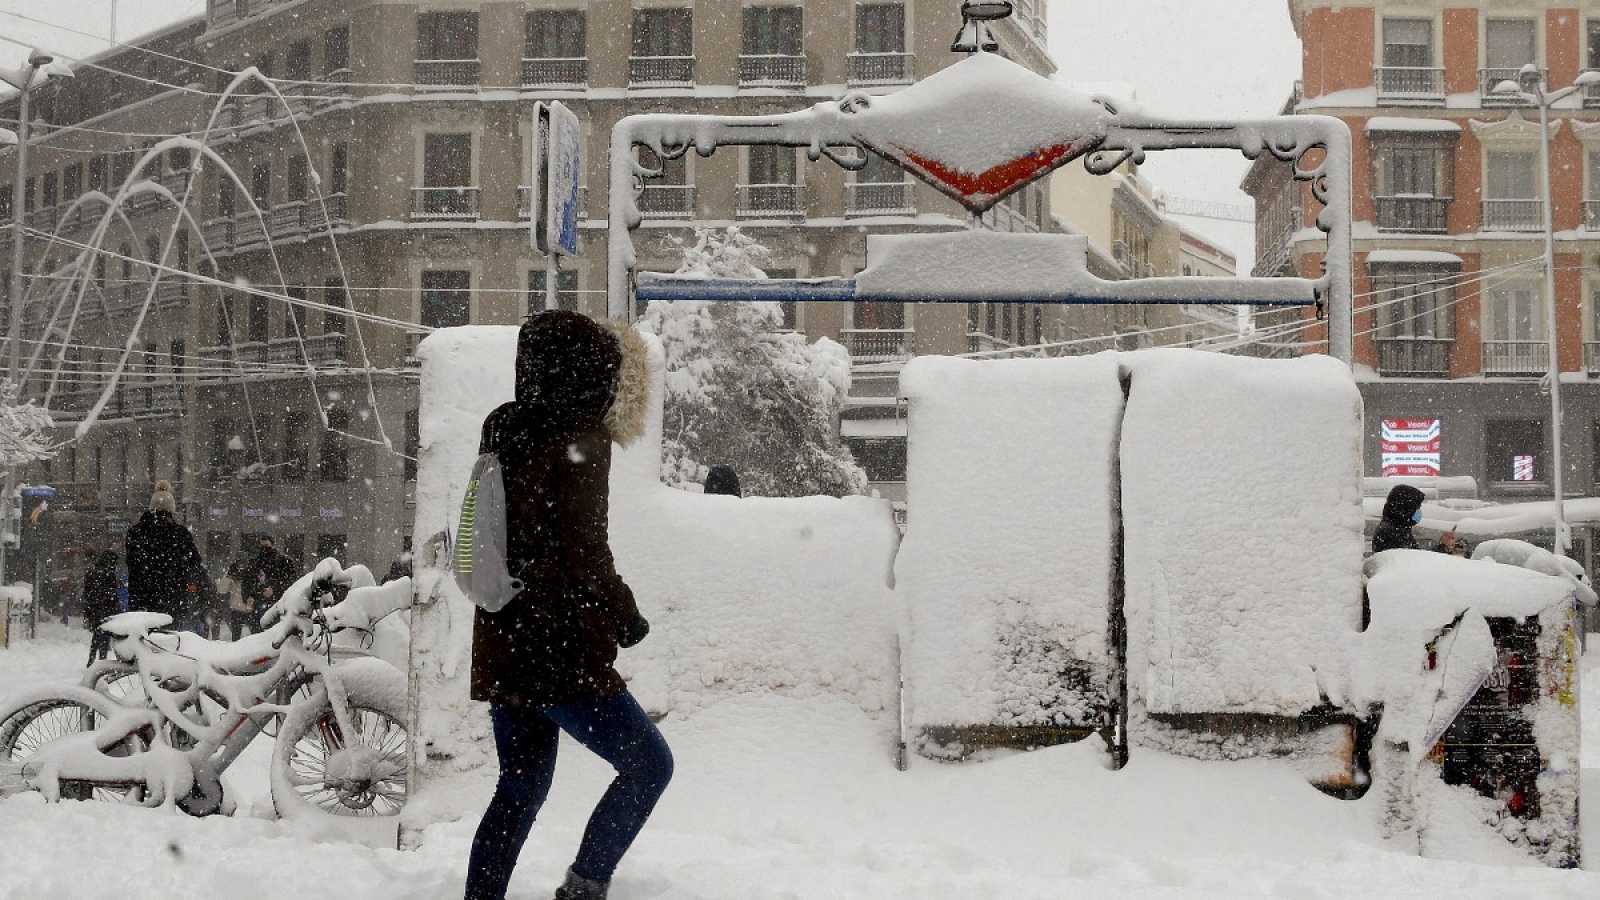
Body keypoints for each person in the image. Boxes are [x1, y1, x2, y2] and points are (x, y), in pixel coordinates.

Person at [464, 311, 668, 900]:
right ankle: (584, 888)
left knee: (519, 787)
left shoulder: (503, 425)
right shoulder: (582, 438)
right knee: (649, 766)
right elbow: (586, 551)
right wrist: (625, 614)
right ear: (591, 373)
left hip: (504, 635)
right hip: (559, 645)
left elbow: (504, 530)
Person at [124, 480, 204, 624]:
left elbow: (131, 563)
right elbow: (195, 562)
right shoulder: (180, 533)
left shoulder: (135, 532)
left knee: (143, 635)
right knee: (169, 636)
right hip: (172, 599)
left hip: (142, 600)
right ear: (171, 509)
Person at [81, 549, 121, 666]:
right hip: (106, 608)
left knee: (97, 634)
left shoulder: (92, 570)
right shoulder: (108, 573)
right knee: (104, 635)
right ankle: (101, 661)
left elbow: (87, 591)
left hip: (94, 608)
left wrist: (88, 610)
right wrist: (116, 608)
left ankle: (92, 660)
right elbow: (112, 593)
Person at [242, 537, 297, 622]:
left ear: (272, 545)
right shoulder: (254, 563)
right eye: (261, 546)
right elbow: (247, 582)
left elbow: (291, 582)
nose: (264, 549)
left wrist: (274, 589)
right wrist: (249, 597)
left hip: (277, 603)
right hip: (258, 604)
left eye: (266, 546)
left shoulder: (284, 561)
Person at [1372, 484, 1425, 554]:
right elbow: (1412, 557)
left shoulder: (1400, 527)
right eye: (1417, 507)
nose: (1419, 511)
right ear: (1407, 508)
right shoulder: (1392, 533)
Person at [218, 560, 253, 640]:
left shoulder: (250, 577)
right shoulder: (232, 580)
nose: (240, 571)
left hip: (249, 610)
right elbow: (221, 589)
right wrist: (229, 576)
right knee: (236, 637)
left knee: (253, 636)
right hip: (238, 610)